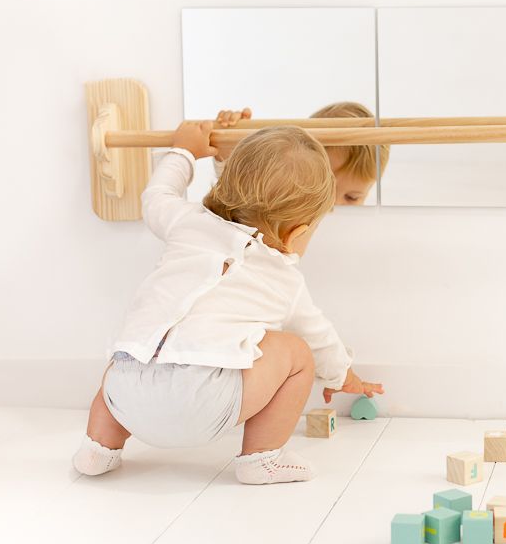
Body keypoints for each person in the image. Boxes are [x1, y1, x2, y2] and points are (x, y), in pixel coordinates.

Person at [72, 121, 383, 484]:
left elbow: (156, 196)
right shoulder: (285, 278)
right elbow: (322, 339)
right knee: (298, 353)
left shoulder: (186, 222)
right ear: (297, 232)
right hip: (202, 405)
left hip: (124, 397)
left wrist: (183, 150)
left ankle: (98, 447)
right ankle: (261, 458)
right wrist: (344, 376)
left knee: (133, 348)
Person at [214, 102, 390, 205]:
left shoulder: (361, 228)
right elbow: (243, 198)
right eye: (323, 190)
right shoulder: (286, 204)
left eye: (351, 198)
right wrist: (231, 152)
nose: (333, 205)